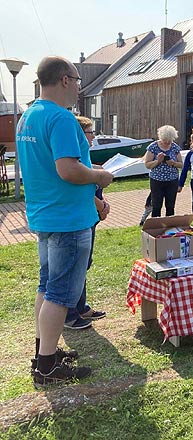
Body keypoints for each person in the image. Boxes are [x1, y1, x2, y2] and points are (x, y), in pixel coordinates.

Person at [17, 56, 113, 387]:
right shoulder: (61, 119)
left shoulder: (27, 116)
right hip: (69, 220)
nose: (79, 86)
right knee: (59, 294)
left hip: (46, 216)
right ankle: (46, 366)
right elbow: (68, 169)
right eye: (77, 79)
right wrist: (100, 175)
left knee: (47, 287)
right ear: (63, 80)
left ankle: (46, 351)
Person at [64, 116, 109, 330]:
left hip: (90, 215)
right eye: (91, 132)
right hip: (81, 215)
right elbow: (80, 186)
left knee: (84, 263)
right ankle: (71, 314)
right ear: (81, 134)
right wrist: (100, 204)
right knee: (76, 265)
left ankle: (81, 306)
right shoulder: (74, 158)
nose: (93, 136)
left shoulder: (84, 155)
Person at [144, 125, 183, 218]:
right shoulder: (153, 147)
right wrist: (158, 161)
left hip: (172, 181)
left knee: (170, 206)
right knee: (157, 205)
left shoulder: (175, 147)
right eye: (165, 140)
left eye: (169, 140)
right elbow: (147, 164)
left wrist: (173, 163)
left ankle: (169, 228)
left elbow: (181, 164)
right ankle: (156, 228)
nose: (167, 142)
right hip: (157, 181)